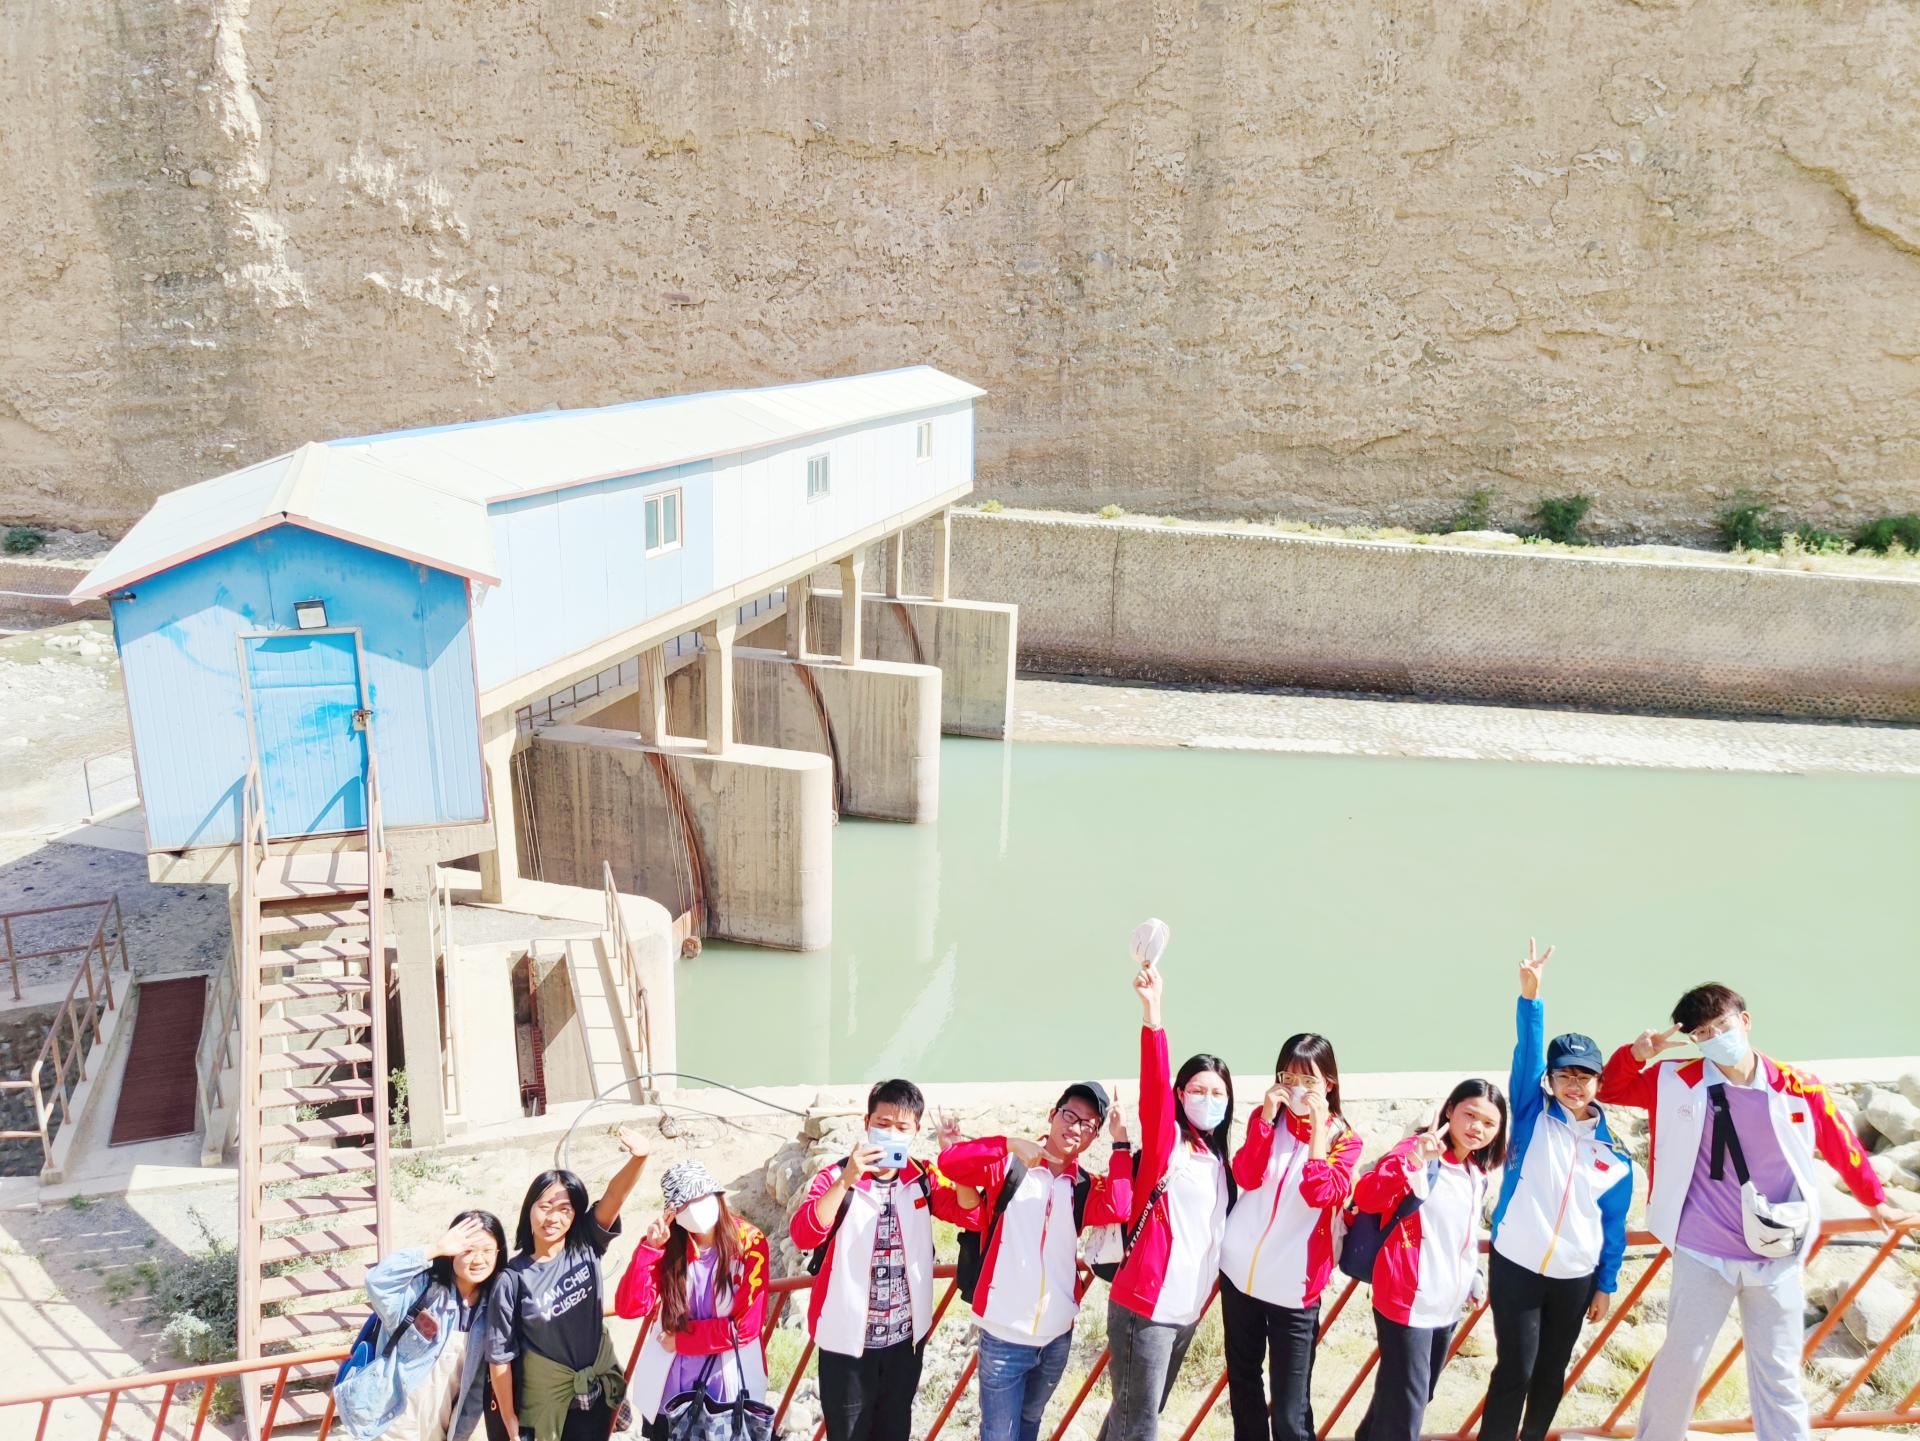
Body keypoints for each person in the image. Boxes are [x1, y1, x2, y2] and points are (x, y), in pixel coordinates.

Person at [1600, 982, 1902, 1441]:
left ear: (1744, 1021)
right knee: (1681, 1363)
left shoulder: (1797, 1086)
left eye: (1722, 1025)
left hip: (1777, 1252)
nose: (1716, 1037)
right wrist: (1636, 1054)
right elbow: (1610, 1090)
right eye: (1702, 1033)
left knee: (1778, 1369)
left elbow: (1840, 1141)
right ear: (1693, 1040)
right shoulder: (1675, 1079)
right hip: (1702, 1248)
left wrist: (1874, 1199)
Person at [1482, 939, 1633, 1441]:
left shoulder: (1615, 1155)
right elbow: (1526, 1054)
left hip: (1574, 1277)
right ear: (1548, 1080)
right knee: (1515, 1369)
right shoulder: (1530, 1116)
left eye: (1585, 1076)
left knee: (1551, 1374)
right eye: (1564, 1074)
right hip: (1516, 1264)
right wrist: (1531, 998)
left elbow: (1613, 1225)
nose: (1574, 1083)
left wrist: (1606, 1284)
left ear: (1598, 1084)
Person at [938, 1082, 1135, 1441]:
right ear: (1052, 1115)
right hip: (1003, 1334)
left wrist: (1121, 1142)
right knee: (999, 1434)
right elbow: (950, 1163)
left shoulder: (1083, 1186)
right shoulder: (1009, 1167)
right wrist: (1010, 1143)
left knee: (1031, 1422)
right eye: (1069, 1115)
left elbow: (1121, 1206)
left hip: (1056, 1337)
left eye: (1088, 1124)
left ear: (1094, 1137)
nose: (1075, 1127)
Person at [790, 1078, 980, 1441]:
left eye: (902, 1127)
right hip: (846, 1344)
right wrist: (847, 1180)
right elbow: (804, 1234)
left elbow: (971, 1214)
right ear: (867, 1123)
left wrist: (956, 1160)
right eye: (883, 1123)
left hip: (904, 1342)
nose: (892, 1133)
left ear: (916, 1131)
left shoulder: (922, 1177)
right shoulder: (836, 1176)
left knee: (894, 1431)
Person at [1102, 930, 1237, 1441]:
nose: (1208, 1099)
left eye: (1218, 1093)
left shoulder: (1217, 1158)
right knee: (1141, 1425)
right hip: (1146, 1307)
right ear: (1181, 1095)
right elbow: (1154, 1088)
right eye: (1198, 1090)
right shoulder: (1168, 1145)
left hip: (1185, 1309)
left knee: (1134, 1413)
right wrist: (1153, 1014)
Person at [1217, 1034, 1365, 1441]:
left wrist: (1318, 1131)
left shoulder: (1344, 1141)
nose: (1297, 1089)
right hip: (1239, 1274)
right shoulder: (1268, 1120)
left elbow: (1321, 1193)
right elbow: (1246, 1175)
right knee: (1243, 1383)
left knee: (1290, 1410)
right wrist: (1265, 1119)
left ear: (1329, 1084)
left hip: (1294, 1290)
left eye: (1309, 1081)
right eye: (1288, 1078)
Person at [1351, 1079, 1508, 1441]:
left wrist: (1473, 1275)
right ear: (1449, 1110)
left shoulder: (1475, 1172)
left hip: (1446, 1305)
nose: (1477, 1128)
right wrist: (1415, 1161)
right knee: (1406, 1410)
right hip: (1408, 1302)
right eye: (1469, 1115)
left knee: (1409, 1398)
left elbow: (1461, 1235)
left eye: (1489, 1123)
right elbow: (1368, 1195)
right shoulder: (1417, 1151)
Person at [487, 1127, 651, 1441]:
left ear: (575, 1215)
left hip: (596, 1396)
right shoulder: (512, 1279)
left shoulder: (587, 1244)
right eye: (544, 1206)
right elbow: (500, 1356)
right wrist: (508, 1418)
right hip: (549, 1408)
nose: (553, 1218)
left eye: (565, 1209)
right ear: (529, 1209)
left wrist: (639, 1158)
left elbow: (615, 1196)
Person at [614, 1159, 773, 1440]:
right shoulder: (667, 1245)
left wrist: (683, 1341)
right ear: (673, 1212)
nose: (696, 1206)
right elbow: (630, 1307)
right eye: (685, 1203)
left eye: (702, 1195)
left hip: (727, 1386)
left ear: (717, 1194)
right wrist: (649, 1250)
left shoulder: (750, 1242)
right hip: (670, 1387)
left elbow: (745, 1328)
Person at [336, 1211, 508, 1441]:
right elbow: (377, 1281)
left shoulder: (493, 1309)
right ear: (452, 1252)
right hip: (391, 1424)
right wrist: (435, 1248)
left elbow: (475, 1387)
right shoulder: (422, 1291)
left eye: (487, 1251)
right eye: (468, 1250)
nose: (478, 1260)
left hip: (441, 1428)